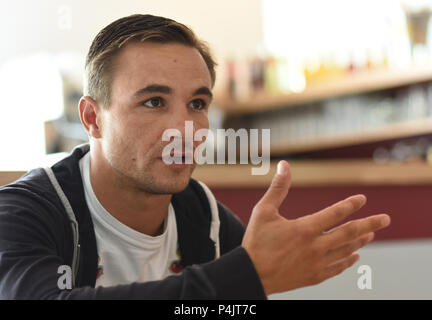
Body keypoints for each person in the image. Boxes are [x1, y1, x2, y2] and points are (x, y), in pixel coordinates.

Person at [0, 14, 390, 299]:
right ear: (92, 118)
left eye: (197, 103)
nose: (184, 127)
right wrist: (242, 277)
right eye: (154, 101)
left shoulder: (209, 220)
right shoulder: (24, 212)